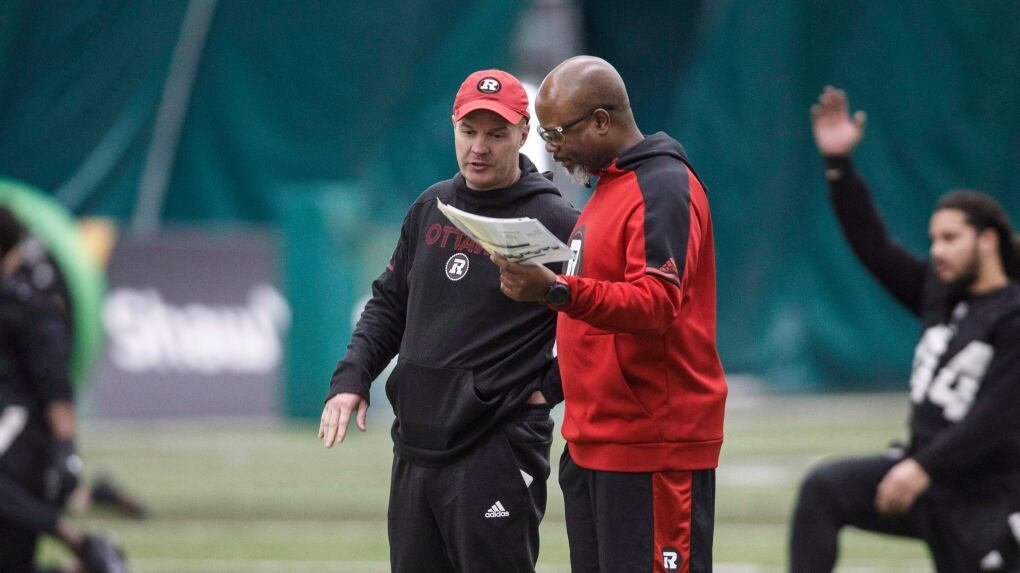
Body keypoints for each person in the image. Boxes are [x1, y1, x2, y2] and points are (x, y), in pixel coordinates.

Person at [317, 69, 578, 572]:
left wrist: (547, 390)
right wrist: (352, 377)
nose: (479, 147)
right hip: (416, 446)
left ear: (524, 132)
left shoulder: (558, 222)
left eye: (496, 134)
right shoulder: (430, 208)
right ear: (453, 127)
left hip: (498, 447)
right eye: (469, 131)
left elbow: (598, 321)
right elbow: (389, 304)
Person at [493, 55, 727, 572]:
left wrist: (555, 290)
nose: (551, 147)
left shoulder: (663, 186)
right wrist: (549, 387)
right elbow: (595, 325)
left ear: (601, 120)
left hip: (651, 449)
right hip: (595, 443)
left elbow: (657, 301)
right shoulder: (608, 188)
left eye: (557, 133)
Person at [789, 86, 1020, 572]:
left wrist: (922, 466)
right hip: (928, 478)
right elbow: (875, 248)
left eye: (951, 238)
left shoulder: (1012, 313)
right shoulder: (941, 295)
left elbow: (996, 417)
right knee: (823, 490)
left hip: (989, 494)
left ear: (988, 239)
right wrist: (839, 168)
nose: (937, 250)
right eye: (933, 239)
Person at [0, 207, 129, 573]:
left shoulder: (26, 303)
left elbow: (55, 382)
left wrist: (64, 448)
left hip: (22, 442)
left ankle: (77, 539)